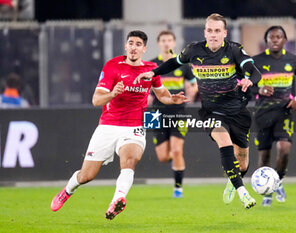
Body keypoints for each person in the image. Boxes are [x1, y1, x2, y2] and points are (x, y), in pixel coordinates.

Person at [50, 30, 188, 220]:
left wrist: (172, 99)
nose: (133, 47)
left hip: (135, 127)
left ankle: (118, 199)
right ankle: (67, 190)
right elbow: (97, 100)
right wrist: (113, 93)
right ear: (126, 46)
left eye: (138, 44)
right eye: (130, 43)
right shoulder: (112, 66)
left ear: (144, 48)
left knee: (129, 161)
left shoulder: (150, 69)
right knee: (86, 176)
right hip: (108, 126)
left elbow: (161, 94)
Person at [135, 13, 261, 209]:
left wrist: (248, 80)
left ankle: (233, 180)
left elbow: (255, 72)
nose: (213, 34)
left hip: (237, 112)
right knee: (223, 141)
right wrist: (153, 72)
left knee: (243, 163)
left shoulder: (235, 50)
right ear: (205, 32)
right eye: (209, 30)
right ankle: (242, 192)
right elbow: (174, 62)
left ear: (224, 33)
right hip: (211, 112)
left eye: (217, 30)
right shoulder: (194, 50)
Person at [252, 26, 296, 206]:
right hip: (262, 114)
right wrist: (258, 88)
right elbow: (243, 83)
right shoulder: (256, 61)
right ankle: (266, 192)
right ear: (266, 41)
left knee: (284, 149)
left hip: (285, 112)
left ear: (284, 40)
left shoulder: (293, 60)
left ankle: (278, 182)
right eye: (271, 37)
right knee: (264, 156)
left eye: (279, 37)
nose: (275, 39)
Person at [150, 30, 197, 198]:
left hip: (178, 112)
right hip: (155, 114)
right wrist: (147, 98)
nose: (166, 43)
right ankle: (175, 162)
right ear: (158, 43)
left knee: (177, 151)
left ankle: (178, 188)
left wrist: (192, 93)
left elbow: (194, 84)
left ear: (174, 43)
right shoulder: (151, 65)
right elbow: (146, 89)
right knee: (163, 157)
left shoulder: (182, 64)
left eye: (169, 40)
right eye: (163, 40)